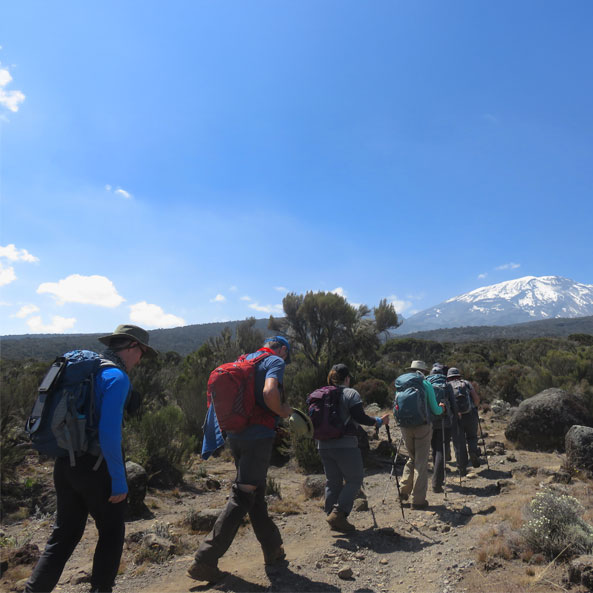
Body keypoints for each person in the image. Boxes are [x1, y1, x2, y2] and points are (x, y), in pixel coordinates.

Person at [25, 324, 156, 593]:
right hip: (98, 468)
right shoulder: (116, 377)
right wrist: (120, 481)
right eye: (142, 352)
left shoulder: (88, 372)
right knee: (111, 533)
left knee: (64, 535)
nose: (141, 359)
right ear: (131, 347)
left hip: (66, 464)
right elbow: (109, 434)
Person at [188, 336, 293, 583]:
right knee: (243, 495)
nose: (286, 358)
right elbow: (269, 392)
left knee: (255, 492)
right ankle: (204, 560)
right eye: (287, 353)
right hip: (258, 437)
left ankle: (273, 550)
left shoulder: (245, 359)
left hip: (235, 436)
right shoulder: (275, 360)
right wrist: (283, 411)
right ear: (283, 349)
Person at [316, 363, 390, 533]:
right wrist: (379, 421)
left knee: (332, 481)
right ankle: (338, 514)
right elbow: (360, 417)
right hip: (345, 444)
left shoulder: (322, 393)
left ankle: (332, 515)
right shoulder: (351, 393)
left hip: (323, 444)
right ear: (347, 378)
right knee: (355, 479)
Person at [395, 360, 445, 510]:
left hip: (404, 425)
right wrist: (441, 408)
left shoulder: (401, 382)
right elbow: (435, 410)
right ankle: (418, 501)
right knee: (421, 462)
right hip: (422, 426)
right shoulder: (425, 384)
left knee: (411, 458)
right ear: (423, 371)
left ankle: (403, 491)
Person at [426, 364, 458, 493]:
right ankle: (437, 483)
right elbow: (453, 403)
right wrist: (455, 416)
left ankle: (436, 476)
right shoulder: (446, 384)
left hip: (429, 421)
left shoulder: (426, 383)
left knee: (435, 449)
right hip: (444, 421)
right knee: (441, 450)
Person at [447, 367, 481, 476]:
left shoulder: (447, 386)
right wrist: (474, 407)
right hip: (470, 414)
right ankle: (473, 451)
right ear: (459, 375)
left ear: (449, 377)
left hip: (455, 417)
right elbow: (476, 399)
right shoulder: (466, 383)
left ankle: (462, 468)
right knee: (472, 436)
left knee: (458, 442)